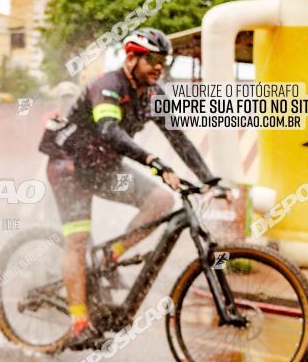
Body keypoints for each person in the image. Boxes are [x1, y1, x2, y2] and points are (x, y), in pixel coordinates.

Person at [39, 28, 219, 345]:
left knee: (161, 200)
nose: (158, 67)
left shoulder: (153, 95)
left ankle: (111, 255)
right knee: (78, 241)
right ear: (131, 58)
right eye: (151, 59)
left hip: (105, 169)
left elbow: (178, 138)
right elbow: (109, 131)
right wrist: (153, 161)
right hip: (71, 167)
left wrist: (210, 181)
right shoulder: (107, 87)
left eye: (163, 61)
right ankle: (79, 324)